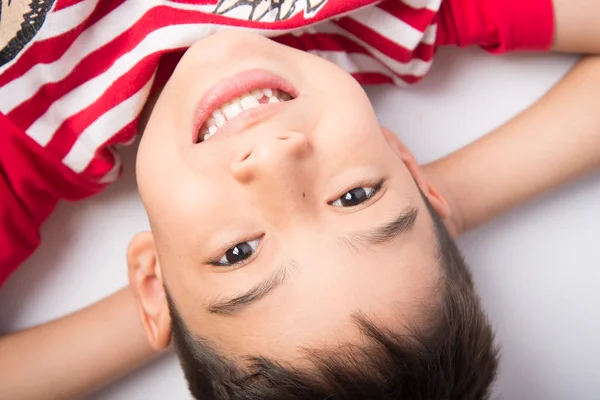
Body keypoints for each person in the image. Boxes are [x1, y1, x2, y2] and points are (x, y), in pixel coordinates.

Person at [1, 0, 600, 398]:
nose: (274, 159)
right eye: (357, 195)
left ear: (153, 281)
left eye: (238, 254)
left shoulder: (31, 126)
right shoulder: (390, 11)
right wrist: (450, 199)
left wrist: (174, 306)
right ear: (408, 169)